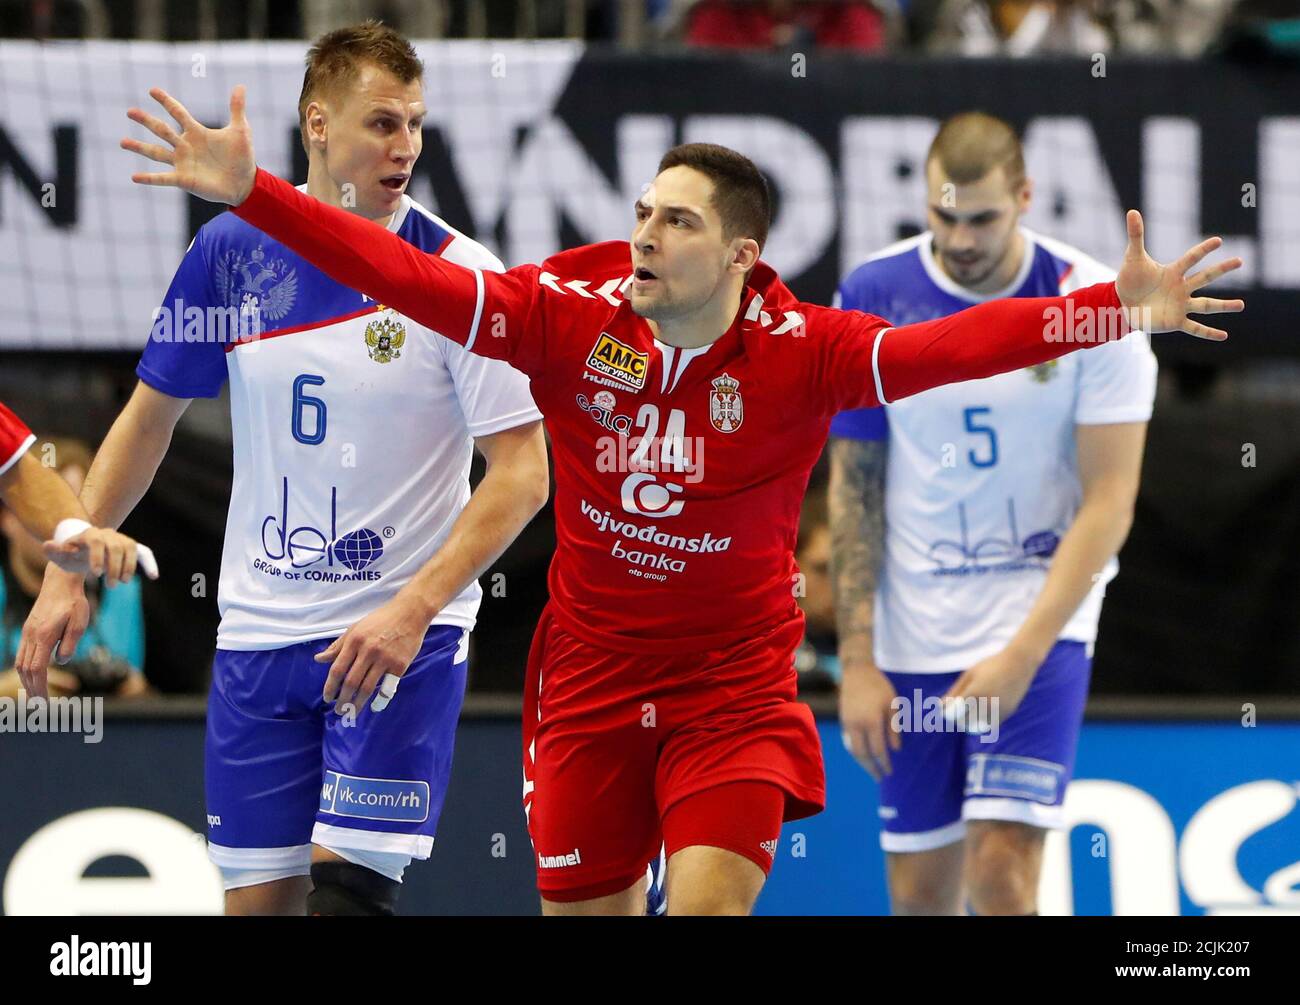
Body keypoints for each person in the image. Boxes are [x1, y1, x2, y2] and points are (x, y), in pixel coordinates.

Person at [120, 80, 1242, 914]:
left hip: (733, 692)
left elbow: (962, 343)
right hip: (591, 687)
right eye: (645, 212)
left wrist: (1108, 311)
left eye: (678, 223)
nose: (645, 235)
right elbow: (402, 274)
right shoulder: (568, 317)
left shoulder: (806, 353)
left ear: (742, 257)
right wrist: (255, 197)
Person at [24, 22, 549, 917]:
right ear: (317, 122)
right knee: (260, 909)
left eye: (416, 124)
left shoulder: (460, 274)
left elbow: (522, 473)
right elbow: (147, 420)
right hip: (259, 636)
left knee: (344, 899)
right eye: (383, 123)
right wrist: (66, 570)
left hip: (394, 642)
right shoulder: (230, 256)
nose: (407, 146)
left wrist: (413, 609)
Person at [830, 111, 1162, 915]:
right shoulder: (874, 292)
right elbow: (856, 485)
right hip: (915, 627)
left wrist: (1023, 653)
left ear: (1024, 197)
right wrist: (859, 658)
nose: (963, 237)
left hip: (1038, 614)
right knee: (920, 895)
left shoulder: (1092, 304)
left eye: (982, 218)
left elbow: (1110, 500)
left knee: (1003, 875)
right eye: (945, 216)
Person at [0, 403, 155, 699]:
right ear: (8, 517)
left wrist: (82, 535)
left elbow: (16, 469)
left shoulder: (121, 591)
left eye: (82, 507)